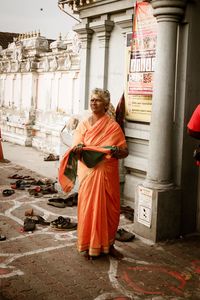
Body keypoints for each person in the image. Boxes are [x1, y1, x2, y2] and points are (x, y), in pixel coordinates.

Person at [59, 88, 128, 259]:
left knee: (109, 210)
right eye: (91, 100)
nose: (93, 103)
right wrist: (81, 150)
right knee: (88, 209)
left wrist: (115, 151)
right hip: (89, 173)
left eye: (97, 100)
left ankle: (109, 245)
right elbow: (76, 149)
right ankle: (87, 246)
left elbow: (125, 151)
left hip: (107, 174)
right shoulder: (83, 125)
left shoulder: (113, 126)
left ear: (105, 104)